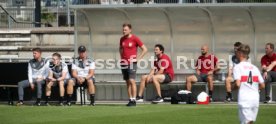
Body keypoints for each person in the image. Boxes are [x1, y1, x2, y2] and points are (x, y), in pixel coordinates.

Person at [233, 44, 265, 124]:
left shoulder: (237, 67)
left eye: (236, 52)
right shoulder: (254, 67)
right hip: (255, 99)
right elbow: (262, 85)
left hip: (245, 99)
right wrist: (253, 90)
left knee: (245, 122)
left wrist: (231, 87)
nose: (236, 54)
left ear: (240, 53)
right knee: (250, 122)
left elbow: (237, 84)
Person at [119, 23, 147, 106]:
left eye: (125, 30)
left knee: (132, 80)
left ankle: (134, 100)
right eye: (123, 30)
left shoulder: (135, 38)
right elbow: (120, 49)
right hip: (124, 63)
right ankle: (130, 99)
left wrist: (138, 59)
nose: (124, 31)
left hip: (132, 63)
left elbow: (145, 49)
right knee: (127, 82)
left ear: (130, 30)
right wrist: (122, 58)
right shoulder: (122, 39)